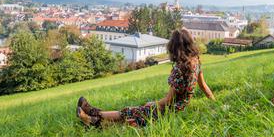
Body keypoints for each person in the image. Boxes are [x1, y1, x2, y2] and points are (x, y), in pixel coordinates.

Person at [76, 28, 215, 127]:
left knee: (128, 111)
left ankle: (91, 116)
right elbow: (204, 86)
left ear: (174, 48)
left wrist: (153, 104)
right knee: (134, 114)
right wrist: (215, 103)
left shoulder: (180, 69)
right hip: (181, 108)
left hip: (170, 110)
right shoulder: (196, 61)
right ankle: (92, 118)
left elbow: (168, 101)